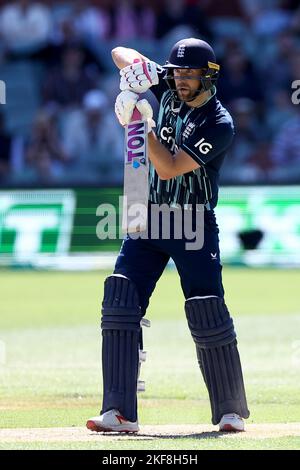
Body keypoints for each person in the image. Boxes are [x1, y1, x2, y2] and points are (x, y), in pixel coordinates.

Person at [87, 38, 250, 433]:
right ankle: (119, 412)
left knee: (206, 308)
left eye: (189, 74)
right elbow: (119, 52)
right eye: (175, 72)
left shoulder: (219, 122)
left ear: (208, 76)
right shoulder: (169, 82)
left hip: (191, 221)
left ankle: (230, 412)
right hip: (147, 214)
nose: (180, 81)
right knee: (120, 299)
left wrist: (140, 124)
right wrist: (134, 72)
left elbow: (171, 167)